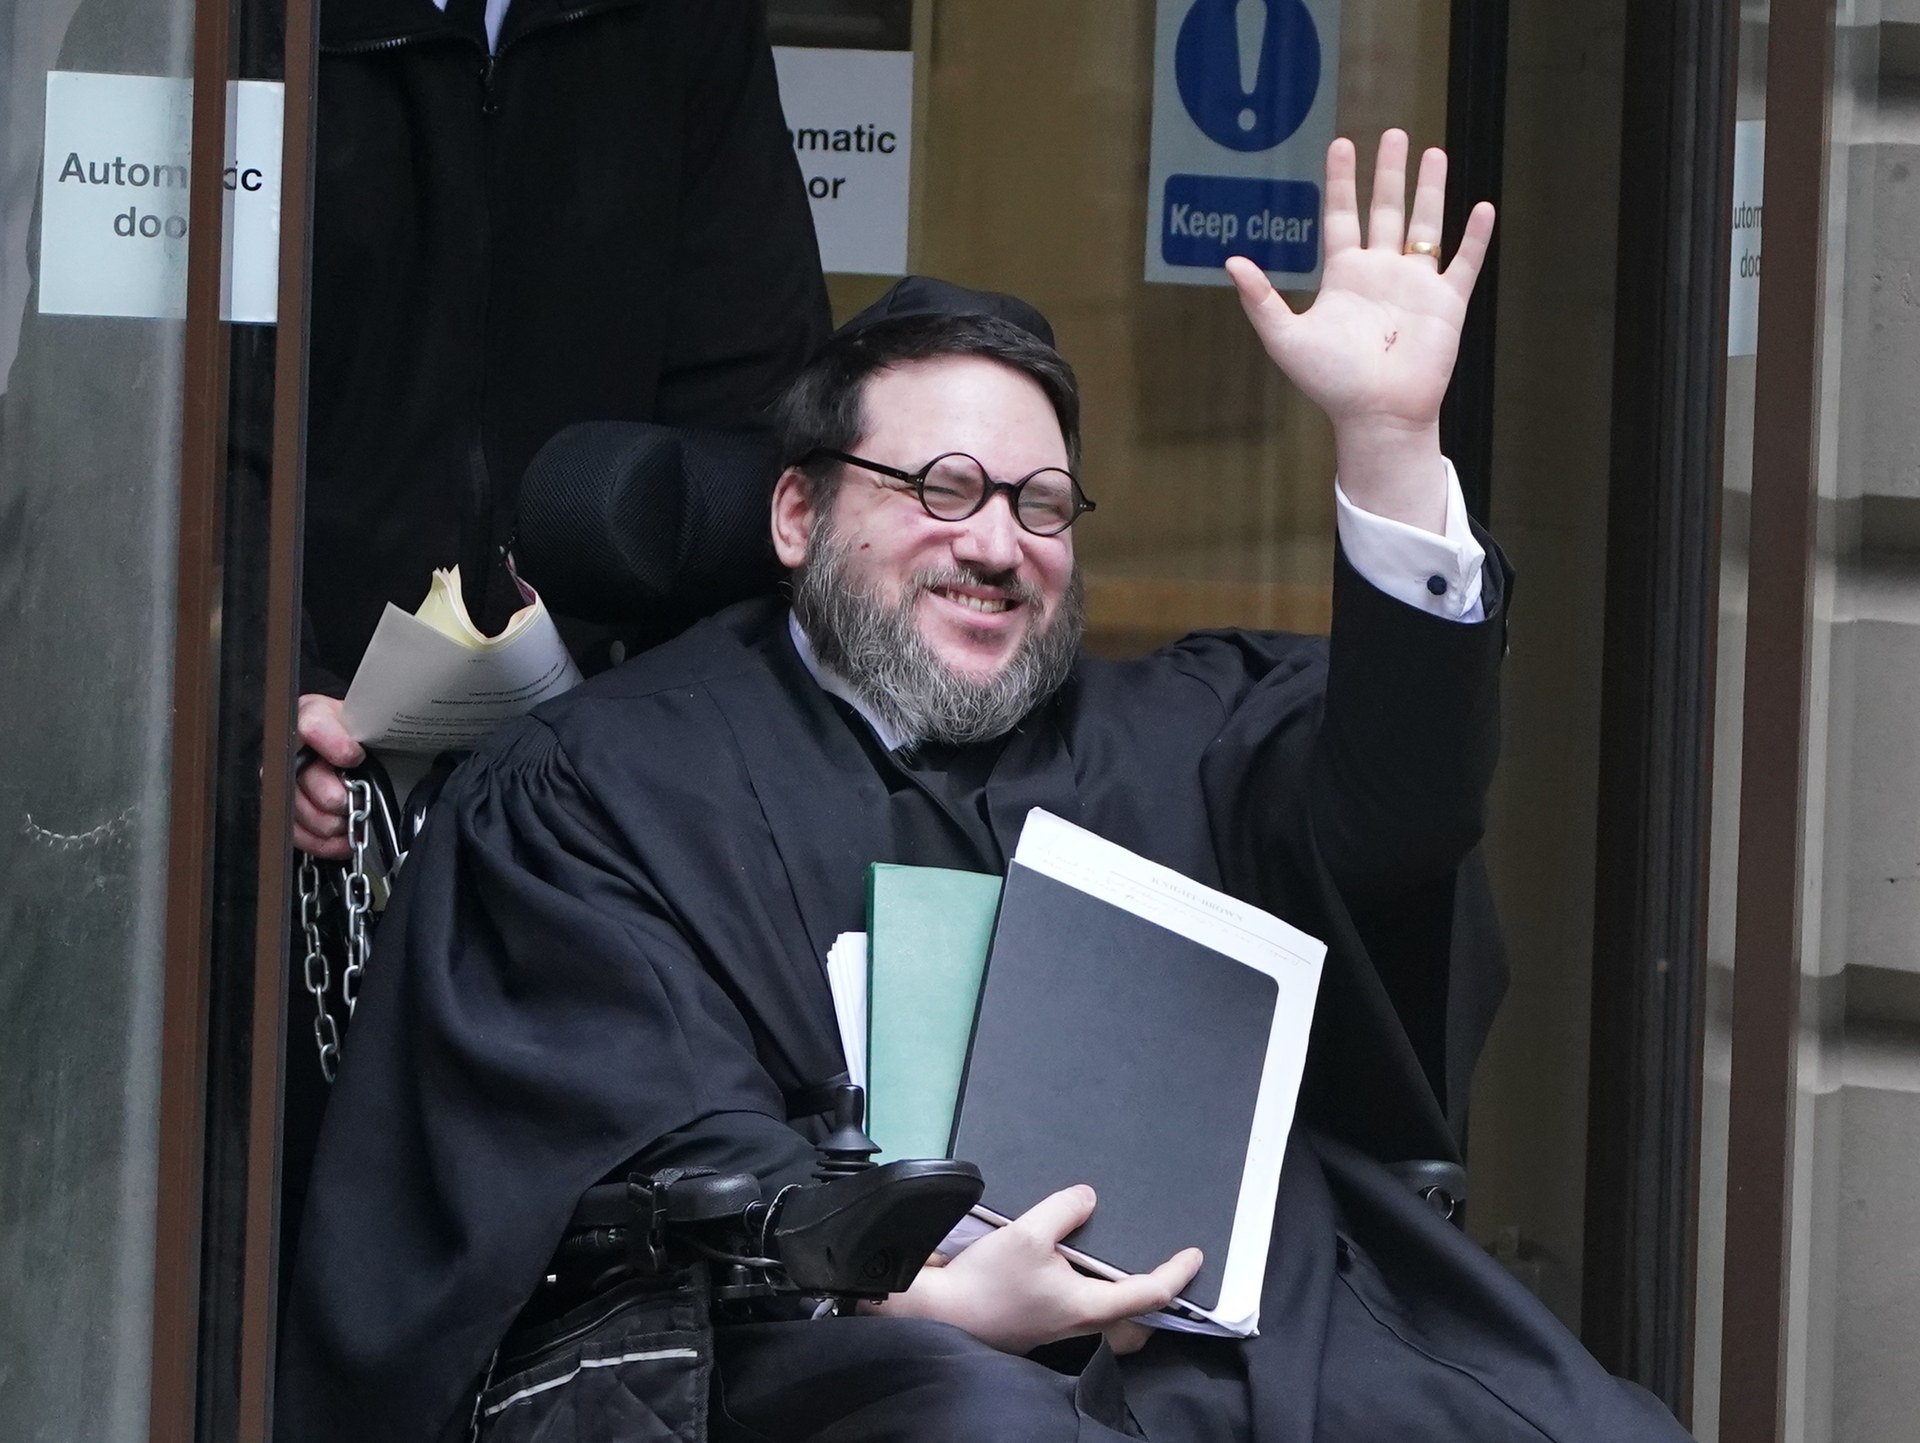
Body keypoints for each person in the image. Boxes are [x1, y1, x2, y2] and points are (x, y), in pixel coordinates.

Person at [279, 132, 1689, 1442]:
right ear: (796, 513)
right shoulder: (616, 785)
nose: (998, 541)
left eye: (1042, 501)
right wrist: (924, 1293)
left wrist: (1387, 444)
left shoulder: (1175, 732)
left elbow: (1403, 802)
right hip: (829, 1352)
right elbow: (653, 1141)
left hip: (1207, 1331)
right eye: (942, 486)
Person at [290, 0, 829, 860]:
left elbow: (752, 441)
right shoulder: (214, 25)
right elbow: (129, 415)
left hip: (602, 798)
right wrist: (260, 703)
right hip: (275, 818)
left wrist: (656, 729)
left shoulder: (687, 24)